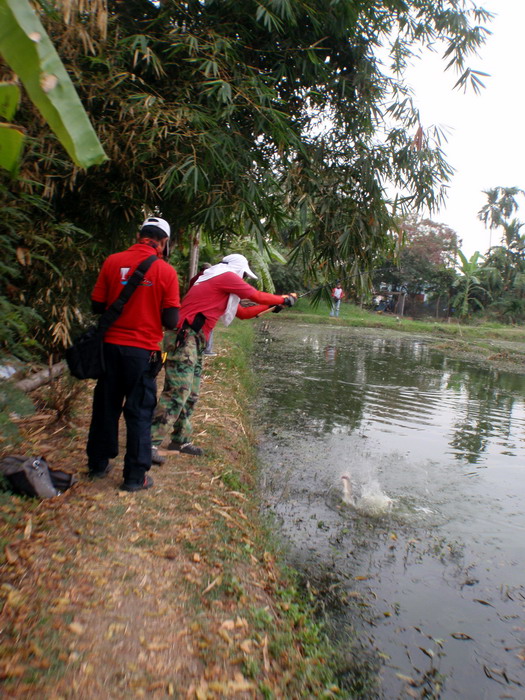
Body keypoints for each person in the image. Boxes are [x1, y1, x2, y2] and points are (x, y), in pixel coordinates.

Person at [152, 253, 296, 456]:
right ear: (236, 270)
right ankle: (149, 443)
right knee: (177, 392)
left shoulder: (218, 283)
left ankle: (180, 441)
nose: (243, 280)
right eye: (243, 275)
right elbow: (254, 295)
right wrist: (284, 298)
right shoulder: (225, 276)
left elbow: (244, 313)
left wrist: (273, 306)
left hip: (194, 341)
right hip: (184, 338)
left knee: (191, 394)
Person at [87, 216, 180, 492]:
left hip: (109, 348)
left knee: (105, 406)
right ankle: (134, 477)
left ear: (140, 235)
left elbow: (96, 305)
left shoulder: (112, 261)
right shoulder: (165, 271)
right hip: (142, 352)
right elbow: (172, 320)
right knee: (139, 413)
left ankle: (98, 464)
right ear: (163, 242)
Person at [188, 263, 216, 356]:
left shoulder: (193, 279)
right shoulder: (207, 278)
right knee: (208, 327)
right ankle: (207, 349)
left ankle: (196, 347)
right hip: (204, 307)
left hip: (192, 307)